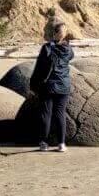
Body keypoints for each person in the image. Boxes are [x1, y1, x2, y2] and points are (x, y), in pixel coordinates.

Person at [30, 16, 74, 153]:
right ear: (65, 34)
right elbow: (70, 58)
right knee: (60, 114)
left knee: (46, 114)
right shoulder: (69, 50)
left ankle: (44, 143)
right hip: (64, 86)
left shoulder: (47, 48)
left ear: (54, 33)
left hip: (48, 86)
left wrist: (33, 84)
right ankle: (61, 144)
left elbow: (39, 68)